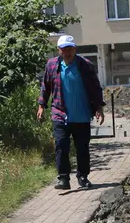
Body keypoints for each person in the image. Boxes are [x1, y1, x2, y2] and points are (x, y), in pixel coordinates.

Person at [37, 35, 105, 190]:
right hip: (60, 113)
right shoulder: (52, 65)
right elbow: (45, 86)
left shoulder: (85, 65)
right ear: (58, 50)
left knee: (82, 148)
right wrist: (42, 105)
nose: (67, 52)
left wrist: (99, 108)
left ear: (75, 49)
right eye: (63, 49)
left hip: (81, 115)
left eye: (69, 49)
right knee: (61, 145)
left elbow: (95, 87)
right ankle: (63, 179)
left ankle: (83, 177)